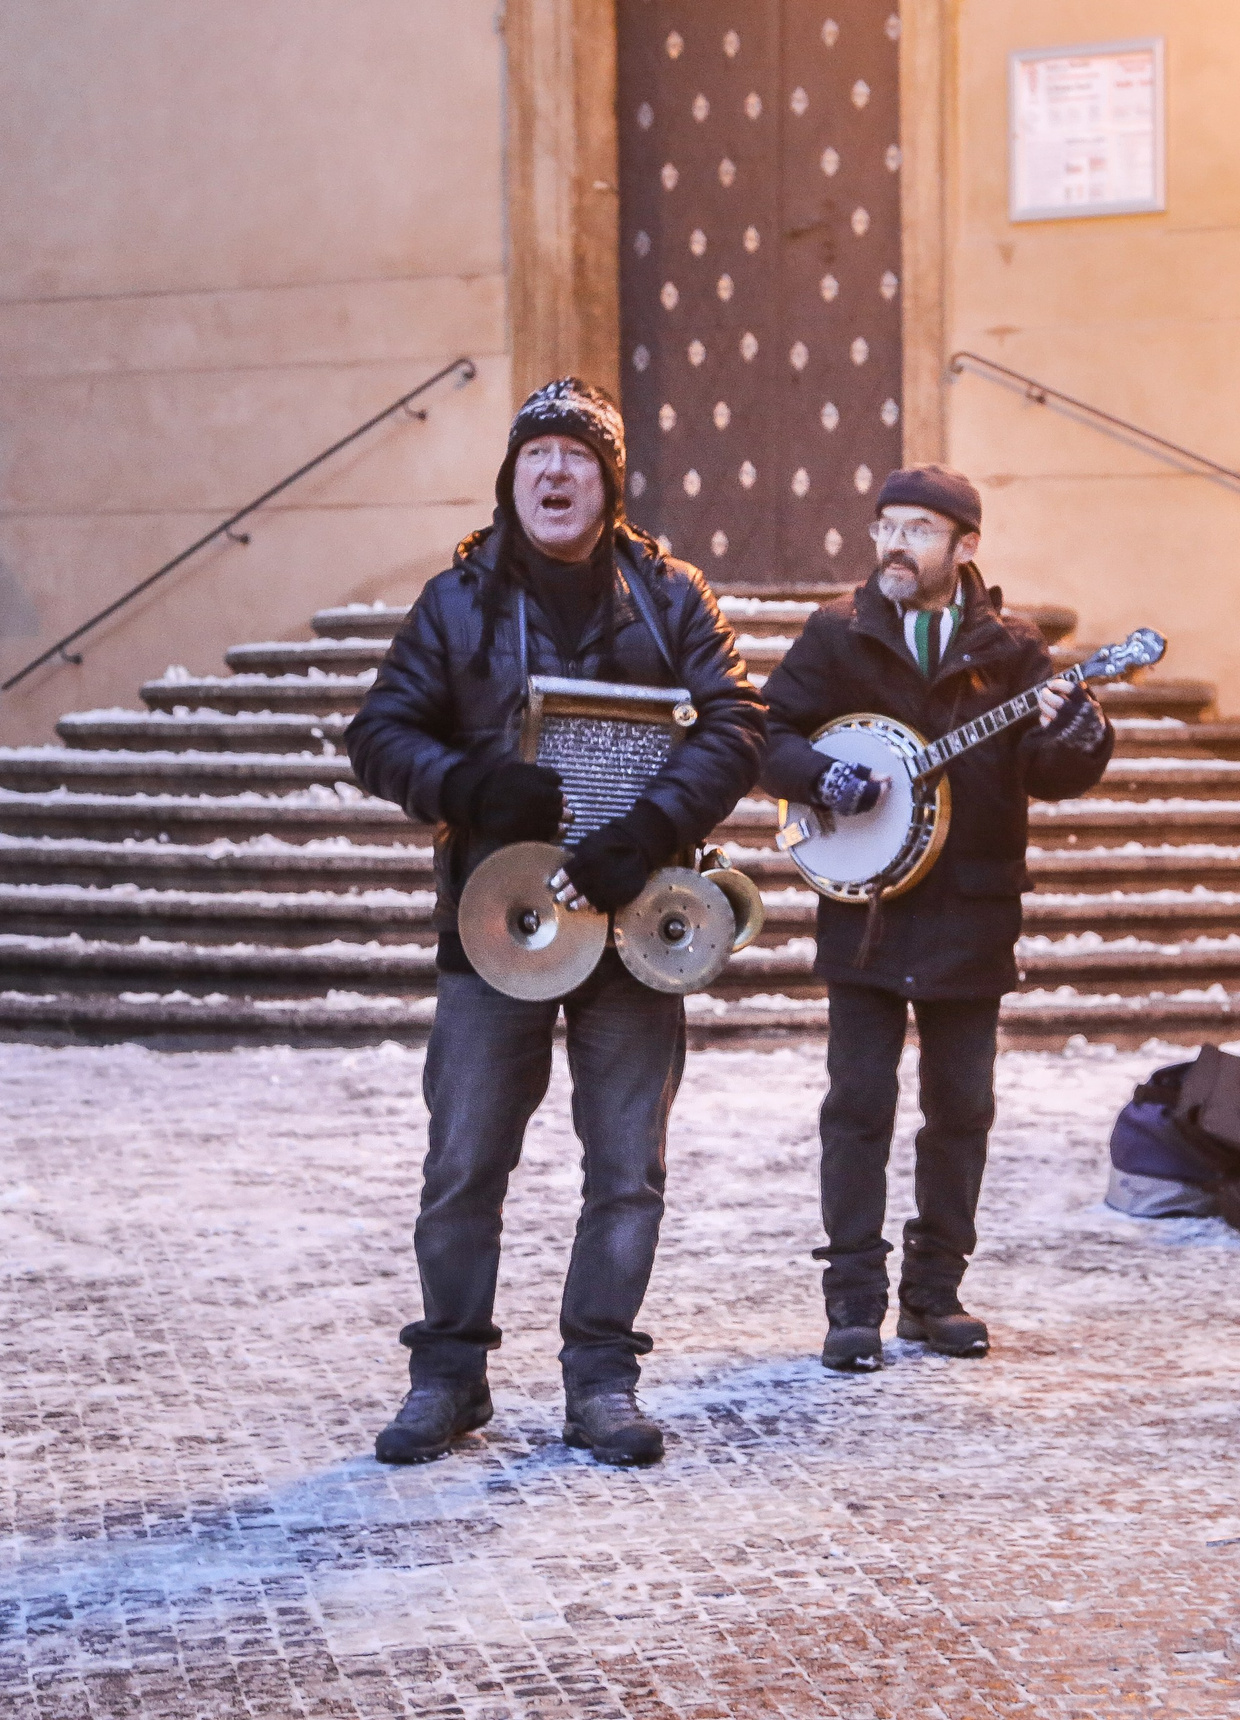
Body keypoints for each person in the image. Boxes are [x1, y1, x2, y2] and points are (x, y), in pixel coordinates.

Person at [347, 378, 766, 1467]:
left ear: (608, 482)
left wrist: (653, 824)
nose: (555, 471)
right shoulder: (459, 599)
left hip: (635, 926)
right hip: (498, 926)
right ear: (510, 475)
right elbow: (379, 731)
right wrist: (472, 786)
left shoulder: (670, 596)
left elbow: (736, 723)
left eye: (578, 455)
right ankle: (447, 1375)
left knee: (627, 1168)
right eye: (536, 452)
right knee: (464, 1160)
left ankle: (601, 1381)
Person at [760, 464, 1114, 1371]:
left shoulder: (1013, 651)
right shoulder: (838, 635)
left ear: (965, 547)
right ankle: (852, 1304)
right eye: (886, 526)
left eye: (918, 529)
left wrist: (1080, 732)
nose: (894, 544)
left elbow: (1054, 771)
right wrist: (821, 779)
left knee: (961, 1108)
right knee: (858, 1106)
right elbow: (768, 734)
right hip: (866, 903)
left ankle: (935, 1296)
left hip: (972, 905)